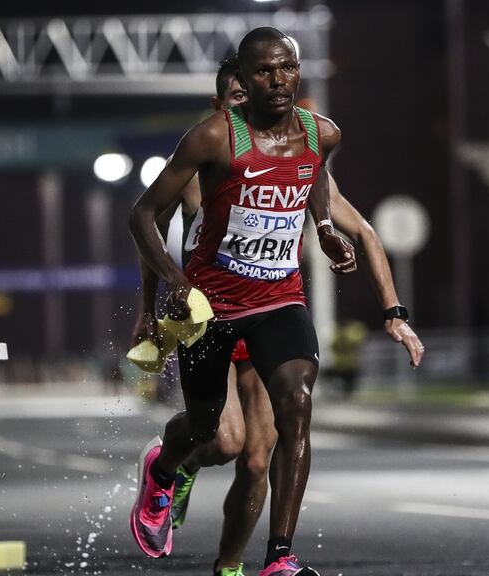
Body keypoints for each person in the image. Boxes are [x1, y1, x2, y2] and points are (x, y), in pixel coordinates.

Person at [131, 56, 425, 576]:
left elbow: (323, 194)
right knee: (218, 438)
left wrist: (388, 304)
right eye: (238, 97)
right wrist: (151, 308)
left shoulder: (308, 141)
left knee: (266, 447)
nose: (257, 98)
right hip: (211, 311)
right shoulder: (207, 152)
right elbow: (147, 227)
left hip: (274, 306)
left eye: (285, 72)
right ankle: (169, 468)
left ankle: (251, 564)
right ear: (226, 99)